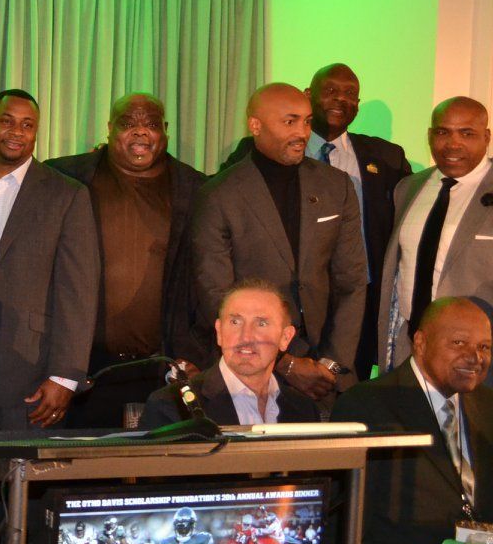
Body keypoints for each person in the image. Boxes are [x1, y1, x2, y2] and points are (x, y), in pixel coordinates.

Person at [226, 63, 410, 375]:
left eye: (351, 94)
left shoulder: (387, 157)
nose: (341, 99)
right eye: (331, 91)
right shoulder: (253, 155)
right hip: (276, 317)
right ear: (308, 95)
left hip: (356, 312)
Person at [191, 83, 365, 406]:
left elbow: (352, 282)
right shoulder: (218, 195)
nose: (302, 132)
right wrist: (286, 363)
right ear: (255, 126)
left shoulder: (336, 186)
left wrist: (330, 363)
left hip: (328, 379)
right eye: (290, 122)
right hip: (252, 374)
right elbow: (217, 296)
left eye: (307, 121)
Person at [0, 90, 99, 428]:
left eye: (28, 125)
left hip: (29, 370)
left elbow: (78, 292)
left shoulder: (67, 194)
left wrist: (65, 376)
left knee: (20, 477)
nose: (16, 132)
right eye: (7, 122)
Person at [48, 94, 208, 425]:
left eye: (150, 125)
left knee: (154, 473)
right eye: (128, 124)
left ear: (165, 131)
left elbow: (207, 281)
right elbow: (4, 180)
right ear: (109, 129)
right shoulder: (65, 176)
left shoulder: (196, 189)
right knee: (79, 473)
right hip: (83, 371)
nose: (140, 133)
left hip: (162, 369)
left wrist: (194, 353)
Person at [335, 297, 493, 544]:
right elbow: (348, 521)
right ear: (420, 343)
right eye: (459, 343)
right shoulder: (366, 405)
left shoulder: (488, 406)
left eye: (485, 347)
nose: (475, 357)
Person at [375, 97, 493, 376]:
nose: (453, 144)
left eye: (466, 133)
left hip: (478, 360)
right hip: (410, 347)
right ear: (430, 136)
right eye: (443, 132)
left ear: (486, 137)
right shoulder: (409, 187)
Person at [142, 280, 321, 426]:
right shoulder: (172, 406)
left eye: (261, 323)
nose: (246, 336)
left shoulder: (303, 410)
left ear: (285, 337)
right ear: (219, 332)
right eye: (235, 322)